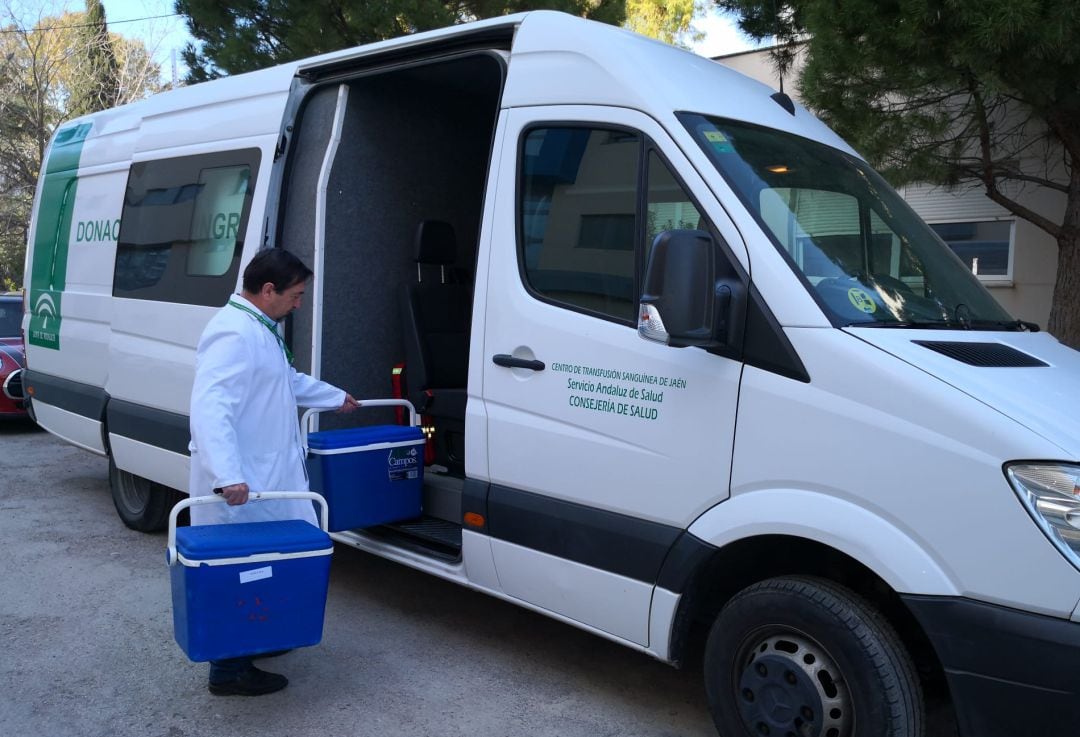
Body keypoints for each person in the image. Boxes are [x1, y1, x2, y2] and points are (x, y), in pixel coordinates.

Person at [188, 248, 359, 696]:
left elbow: (285, 381)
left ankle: (253, 642)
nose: (299, 304)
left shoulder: (257, 329)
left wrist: (333, 396)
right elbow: (211, 408)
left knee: (263, 565)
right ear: (268, 291)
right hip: (243, 486)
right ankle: (228, 670)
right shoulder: (232, 333)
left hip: (265, 478)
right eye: (296, 295)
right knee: (239, 570)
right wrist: (227, 474)